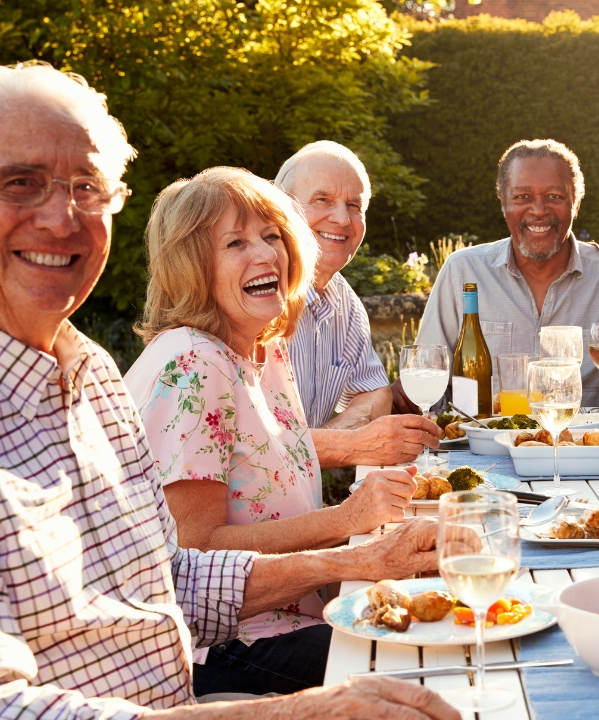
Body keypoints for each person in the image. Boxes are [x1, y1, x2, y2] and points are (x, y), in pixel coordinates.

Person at [0, 61, 456, 719]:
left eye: (88, 187)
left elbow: (170, 577)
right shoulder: (188, 361)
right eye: (21, 183)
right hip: (223, 676)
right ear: (192, 261)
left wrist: (373, 557)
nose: (62, 217)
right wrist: (286, 711)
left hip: (186, 692)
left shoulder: (89, 377)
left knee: (456, 664)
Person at [122, 166, 424, 695]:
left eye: (272, 236)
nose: (265, 255)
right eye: (235, 243)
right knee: (421, 659)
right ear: (193, 265)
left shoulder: (264, 349)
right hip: (228, 646)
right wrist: (347, 520)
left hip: (293, 615)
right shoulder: (192, 364)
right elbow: (196, 557)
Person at [410, 139, 599, 410]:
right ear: (503, 202)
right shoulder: (462, 272)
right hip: (480, 449)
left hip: (582, 449)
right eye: (522, 197)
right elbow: (427, 380)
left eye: (554, 197)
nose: (539, 210)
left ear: (576, 204)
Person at [274, 142, 440, 467]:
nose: (341, 218)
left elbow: (376, 393)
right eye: (322, 200)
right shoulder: (257, 296)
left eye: (354, 205)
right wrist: (348, 444)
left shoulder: (343, 302)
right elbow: (248, 448)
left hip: (298, 504)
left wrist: (327, 442)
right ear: (282, 209)